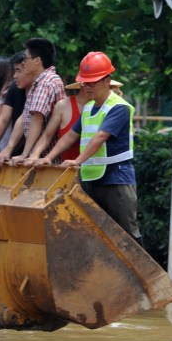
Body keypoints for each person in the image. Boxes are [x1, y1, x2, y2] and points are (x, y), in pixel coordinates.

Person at [32, 52, 142, 245]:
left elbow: (101, 136)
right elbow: (70, 136)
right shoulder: (89, 108)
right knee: (94, 236)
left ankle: (145, 275)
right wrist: (49, 157)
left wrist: (77, 161)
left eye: (93, 82)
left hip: (116, 178)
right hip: (91, 178)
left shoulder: (119, 107)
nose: (87, 87)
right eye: (85, 83)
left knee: (126, 236)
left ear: (107, 81)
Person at [0, 38, 65, 164]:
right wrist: (8, 150)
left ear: (37, 61)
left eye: (26, 58)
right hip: (37, 157)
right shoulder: (38, 82)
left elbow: (37, 119)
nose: (23, 63)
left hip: (44, 160)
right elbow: (25, 116)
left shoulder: (45, 83)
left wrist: (25, 155)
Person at [22, 79, 123, 165]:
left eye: (110, 88)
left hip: (99, 169)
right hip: (69, 168)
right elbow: (50, 136)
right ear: (83, 85)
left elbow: (102, 137)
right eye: (89, 84)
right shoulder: (65, 106)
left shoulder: (113, 108)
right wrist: (36, 155)